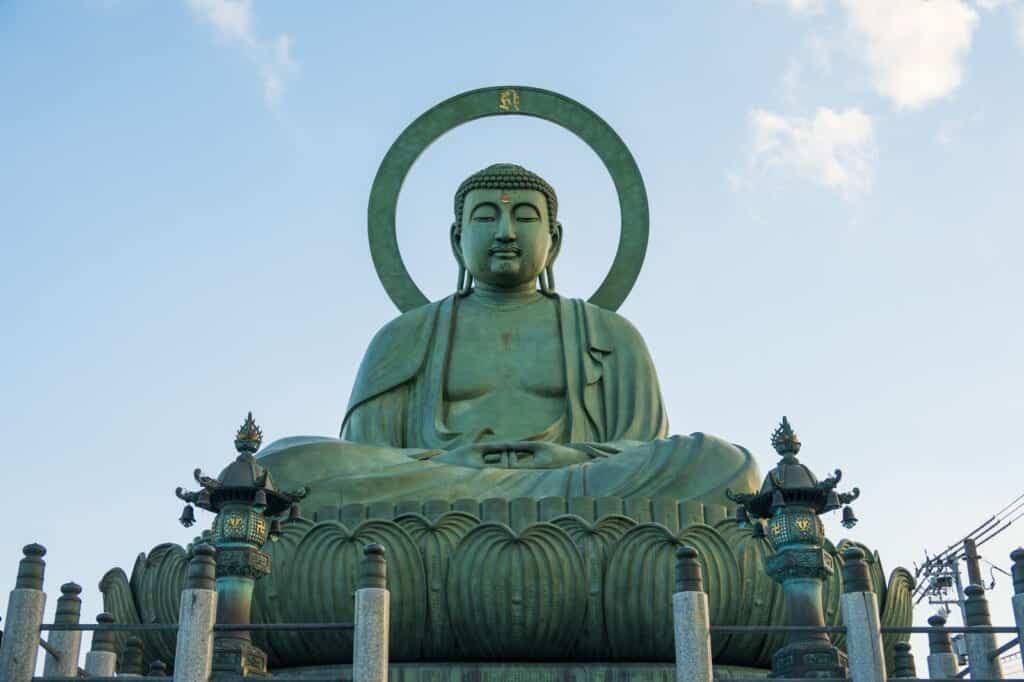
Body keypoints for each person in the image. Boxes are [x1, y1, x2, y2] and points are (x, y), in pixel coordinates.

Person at [258, 164, 760, 509]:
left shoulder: (610, 334)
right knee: (281, 467)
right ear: (457, 239)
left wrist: (573, 457)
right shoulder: (404, 336)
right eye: (485, 217)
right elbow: (369, 458)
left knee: (727, 464)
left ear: (554, 239)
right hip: (437, 486)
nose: (504, 231)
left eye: (524, 217)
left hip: (575, 485)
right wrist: (447, 461)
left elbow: (641, 447)